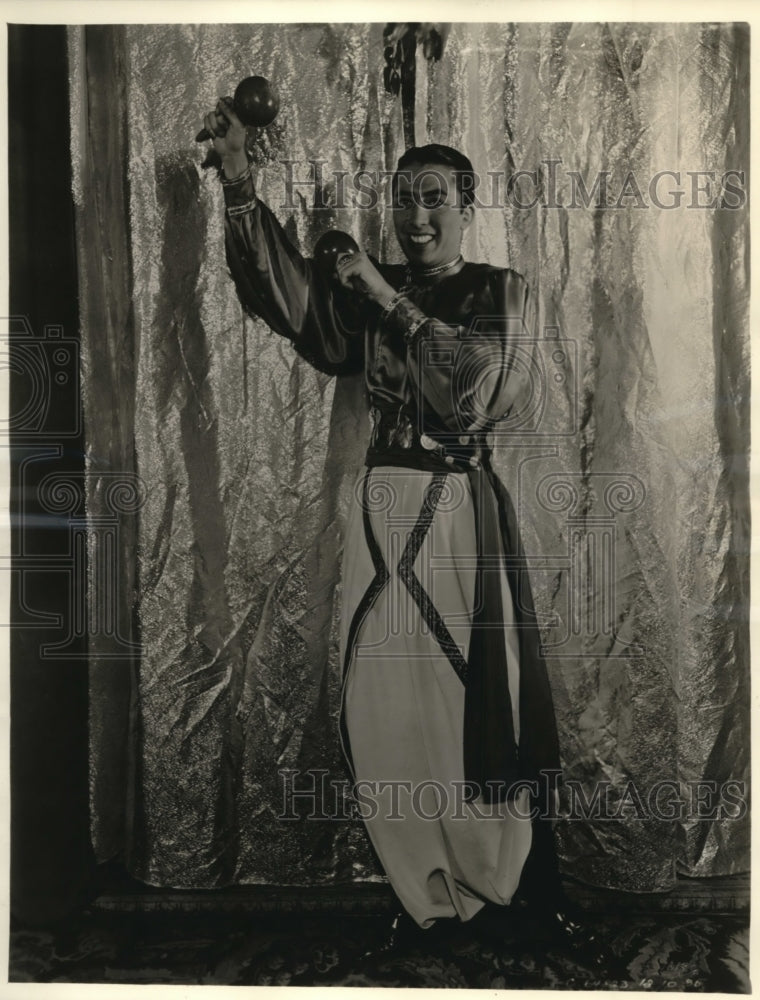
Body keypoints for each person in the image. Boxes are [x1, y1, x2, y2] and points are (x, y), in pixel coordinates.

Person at [202, 97, 601, 961]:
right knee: (386, 708)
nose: (415, 218)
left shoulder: (501, 291)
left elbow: (472, 391)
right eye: (403, 200)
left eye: (434, 200)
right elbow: (289, 299)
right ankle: (426, 893)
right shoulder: (362, 292)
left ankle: (503, 887)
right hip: (381, 502)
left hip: (457, 510)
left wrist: (381, 292)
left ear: (465, 207)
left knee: (472, 701)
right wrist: (239, 177)